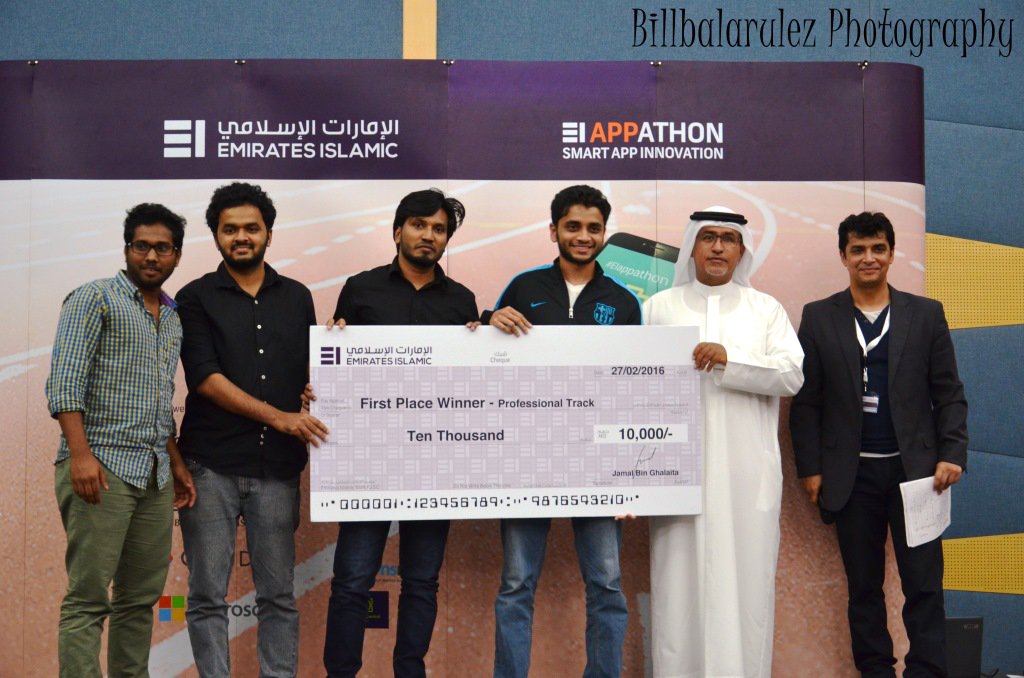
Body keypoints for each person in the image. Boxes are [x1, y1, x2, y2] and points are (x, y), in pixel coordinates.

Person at [790, 211, 967, 677]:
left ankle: (927, 670)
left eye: (877, 249)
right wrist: (811, 468)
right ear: (843, 256)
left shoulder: (926, 314)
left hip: (918, 475)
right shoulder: (818, 317)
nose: (868, 258)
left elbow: (948, 392)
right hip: (852, 477)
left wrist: (952, 453)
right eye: (858, 250)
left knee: (924, 585)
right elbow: (806, 402)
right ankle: (875, 670)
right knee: (864, 587)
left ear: (891, 254)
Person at [323, 188, 479, 678]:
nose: (428, 235)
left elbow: (472, 383)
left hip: (434, 461)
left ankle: (410, 671)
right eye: (419, 225)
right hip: (367, 460)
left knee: (422, 582)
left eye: (439, 229)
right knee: (352, 581)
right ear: (397, 231)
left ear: (446, 240)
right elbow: (337, 364)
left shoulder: (462, 301)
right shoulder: (360, 290)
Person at [486, 185, 640, 678]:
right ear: (553, 230)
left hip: (597, 463)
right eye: (573, 226)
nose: (583, 236)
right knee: (516, 584)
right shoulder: (523, 287)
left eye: (594, 228)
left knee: (607, 585)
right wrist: (489, 319)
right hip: (527, 458)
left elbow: (635, 389)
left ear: (605, 234)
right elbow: (484, 358)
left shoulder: (624, 301)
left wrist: (630, 474)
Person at [176, 182, 328, 678]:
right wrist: (280, 417)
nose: (241, 237)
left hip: (277, 467)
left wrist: (323, 384)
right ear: (216, 236)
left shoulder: (298, 297)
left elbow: (308, 372)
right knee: (206, 596)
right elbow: (205, 379)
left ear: (268, 233)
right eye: (230, 229)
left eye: (251, 228)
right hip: (210, 465)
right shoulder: (194, 297)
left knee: (278, 595)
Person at [644, 207, 804, 678]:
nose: (717, 247)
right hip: (674, 476)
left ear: (741, 250)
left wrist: (729, 360)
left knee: (747, 588)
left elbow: (792, 374)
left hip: (745, 474)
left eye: (728, 239)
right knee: (676, 588)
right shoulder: (659, 308)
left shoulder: (765, 310)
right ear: (692, 246)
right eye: (708, 237)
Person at [46, 203, 196, 678]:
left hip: (154, 475)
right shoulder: (94, 298)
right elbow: (64, 384)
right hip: (100, 468)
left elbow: (158, 400)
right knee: (88, 599)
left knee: (138, 600)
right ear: (127, 248)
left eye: (162, 248)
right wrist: (80, 456)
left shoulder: (172, 317)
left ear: (176, 255)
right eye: (142, 246)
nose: (151, 256)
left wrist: (175, 462)